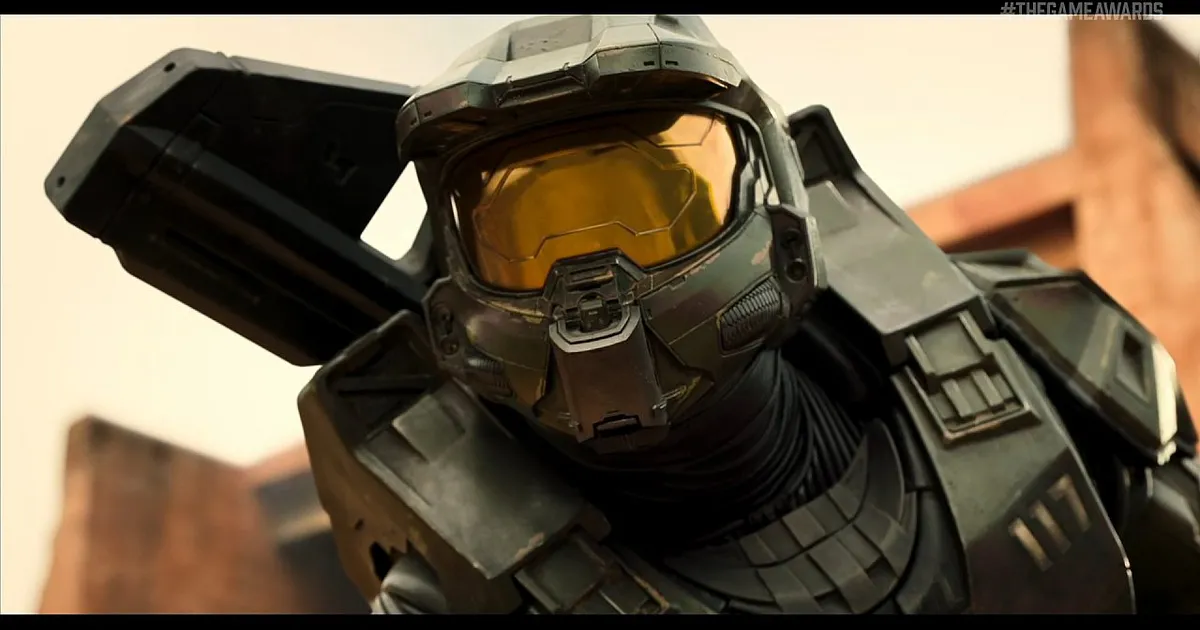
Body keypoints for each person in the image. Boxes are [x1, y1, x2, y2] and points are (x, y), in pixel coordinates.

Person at [47, 15, 1199, 614]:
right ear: (453, 308)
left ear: (781, 217)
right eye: (526, 230)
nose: (591, 280)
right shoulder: (464, 590)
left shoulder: (1033, 358)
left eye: (657, 204)